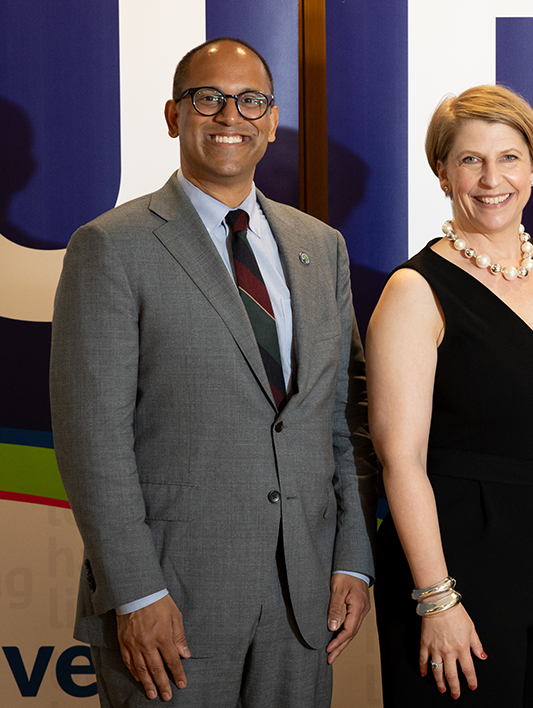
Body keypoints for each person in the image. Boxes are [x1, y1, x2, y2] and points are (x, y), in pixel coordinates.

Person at [49, 37, 376, 706]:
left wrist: (352, 557)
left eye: (250, 100)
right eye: (209, 98)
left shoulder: (322, 247)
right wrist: (136, 592)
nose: (232, 116)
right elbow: (93, 441)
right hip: (173, 603)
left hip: (302, 601)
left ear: (272, 119)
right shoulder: (111, 247)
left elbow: (344, 422)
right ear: (174, 115)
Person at [366, 84, 533, 707]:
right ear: (441, 173)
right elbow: (399, 459)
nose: (492, 179)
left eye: (509, 158)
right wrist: (436, 599)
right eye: (469, 160)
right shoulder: (414, 290)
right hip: (458, 557)